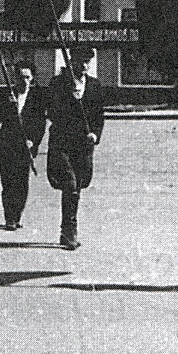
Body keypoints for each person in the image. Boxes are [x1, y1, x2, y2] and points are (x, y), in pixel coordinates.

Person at [45, 47, 104, 250]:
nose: (85, 65)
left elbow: (99, 117)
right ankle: (69, 230)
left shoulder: (95, 86)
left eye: (88, 61)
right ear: (71, 61)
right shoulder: (58, 83)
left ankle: (67, 227)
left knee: (78, 186)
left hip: (83, 145)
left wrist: (95, 135)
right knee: (69, 183)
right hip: (62, 143)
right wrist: (69, 98)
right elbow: (51, 112)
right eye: (81, 61)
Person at [0, 60, 45, 231]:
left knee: (21, 183)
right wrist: (8, 105)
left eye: (27, 77)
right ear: (15, 78)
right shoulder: (7, 94)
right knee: (8, 182)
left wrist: (33, 141)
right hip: (7, 145)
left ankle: (17, 214)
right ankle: (9, 218)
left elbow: (40, 123)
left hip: (25, 146)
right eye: (20, 77)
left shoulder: (37, 98)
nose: (24, 80)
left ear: (32, 79)